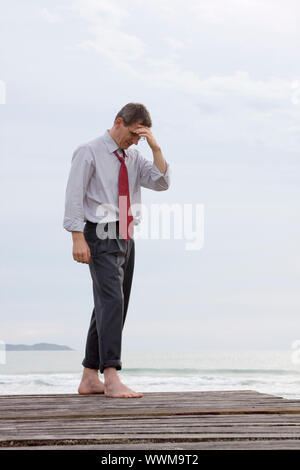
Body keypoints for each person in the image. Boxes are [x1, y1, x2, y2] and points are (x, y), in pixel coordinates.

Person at [63, 103, 171, 398]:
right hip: (99, 233)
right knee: (112, 303)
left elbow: (162, 183)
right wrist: (76, 237)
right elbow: (74, 195)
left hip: (125, 235)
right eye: (134, 134)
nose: (135, 141)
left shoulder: (134, 157)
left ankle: (89, 376)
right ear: (119, 122)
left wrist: (155, 148)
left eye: (141, 137)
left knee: (109, 306)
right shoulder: (89, 151)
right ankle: (111, 377)